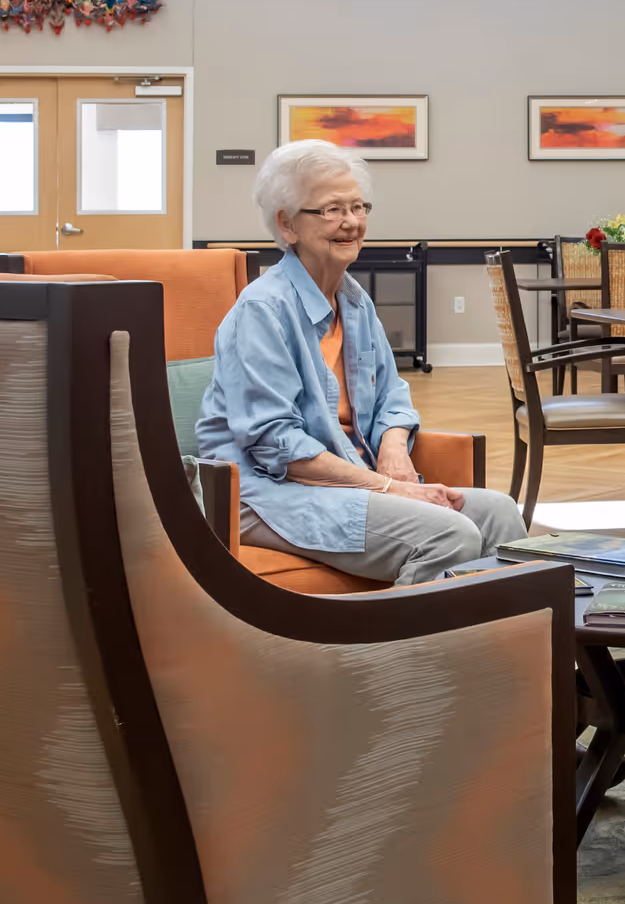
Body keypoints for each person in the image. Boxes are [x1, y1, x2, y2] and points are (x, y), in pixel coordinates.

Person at [198, 140, 526, 585]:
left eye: (358, 206)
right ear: (286, 224)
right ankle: (408, 653)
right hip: (269, 493)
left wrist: (393, 454)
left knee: (500, 513)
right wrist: (395, 489)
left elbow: (393, 396)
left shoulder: (354, 300)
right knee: (448, 536)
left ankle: (504, 648)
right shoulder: (263, 310)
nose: (351, 222)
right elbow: (276, 444)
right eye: (331, 210)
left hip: (349, 478)